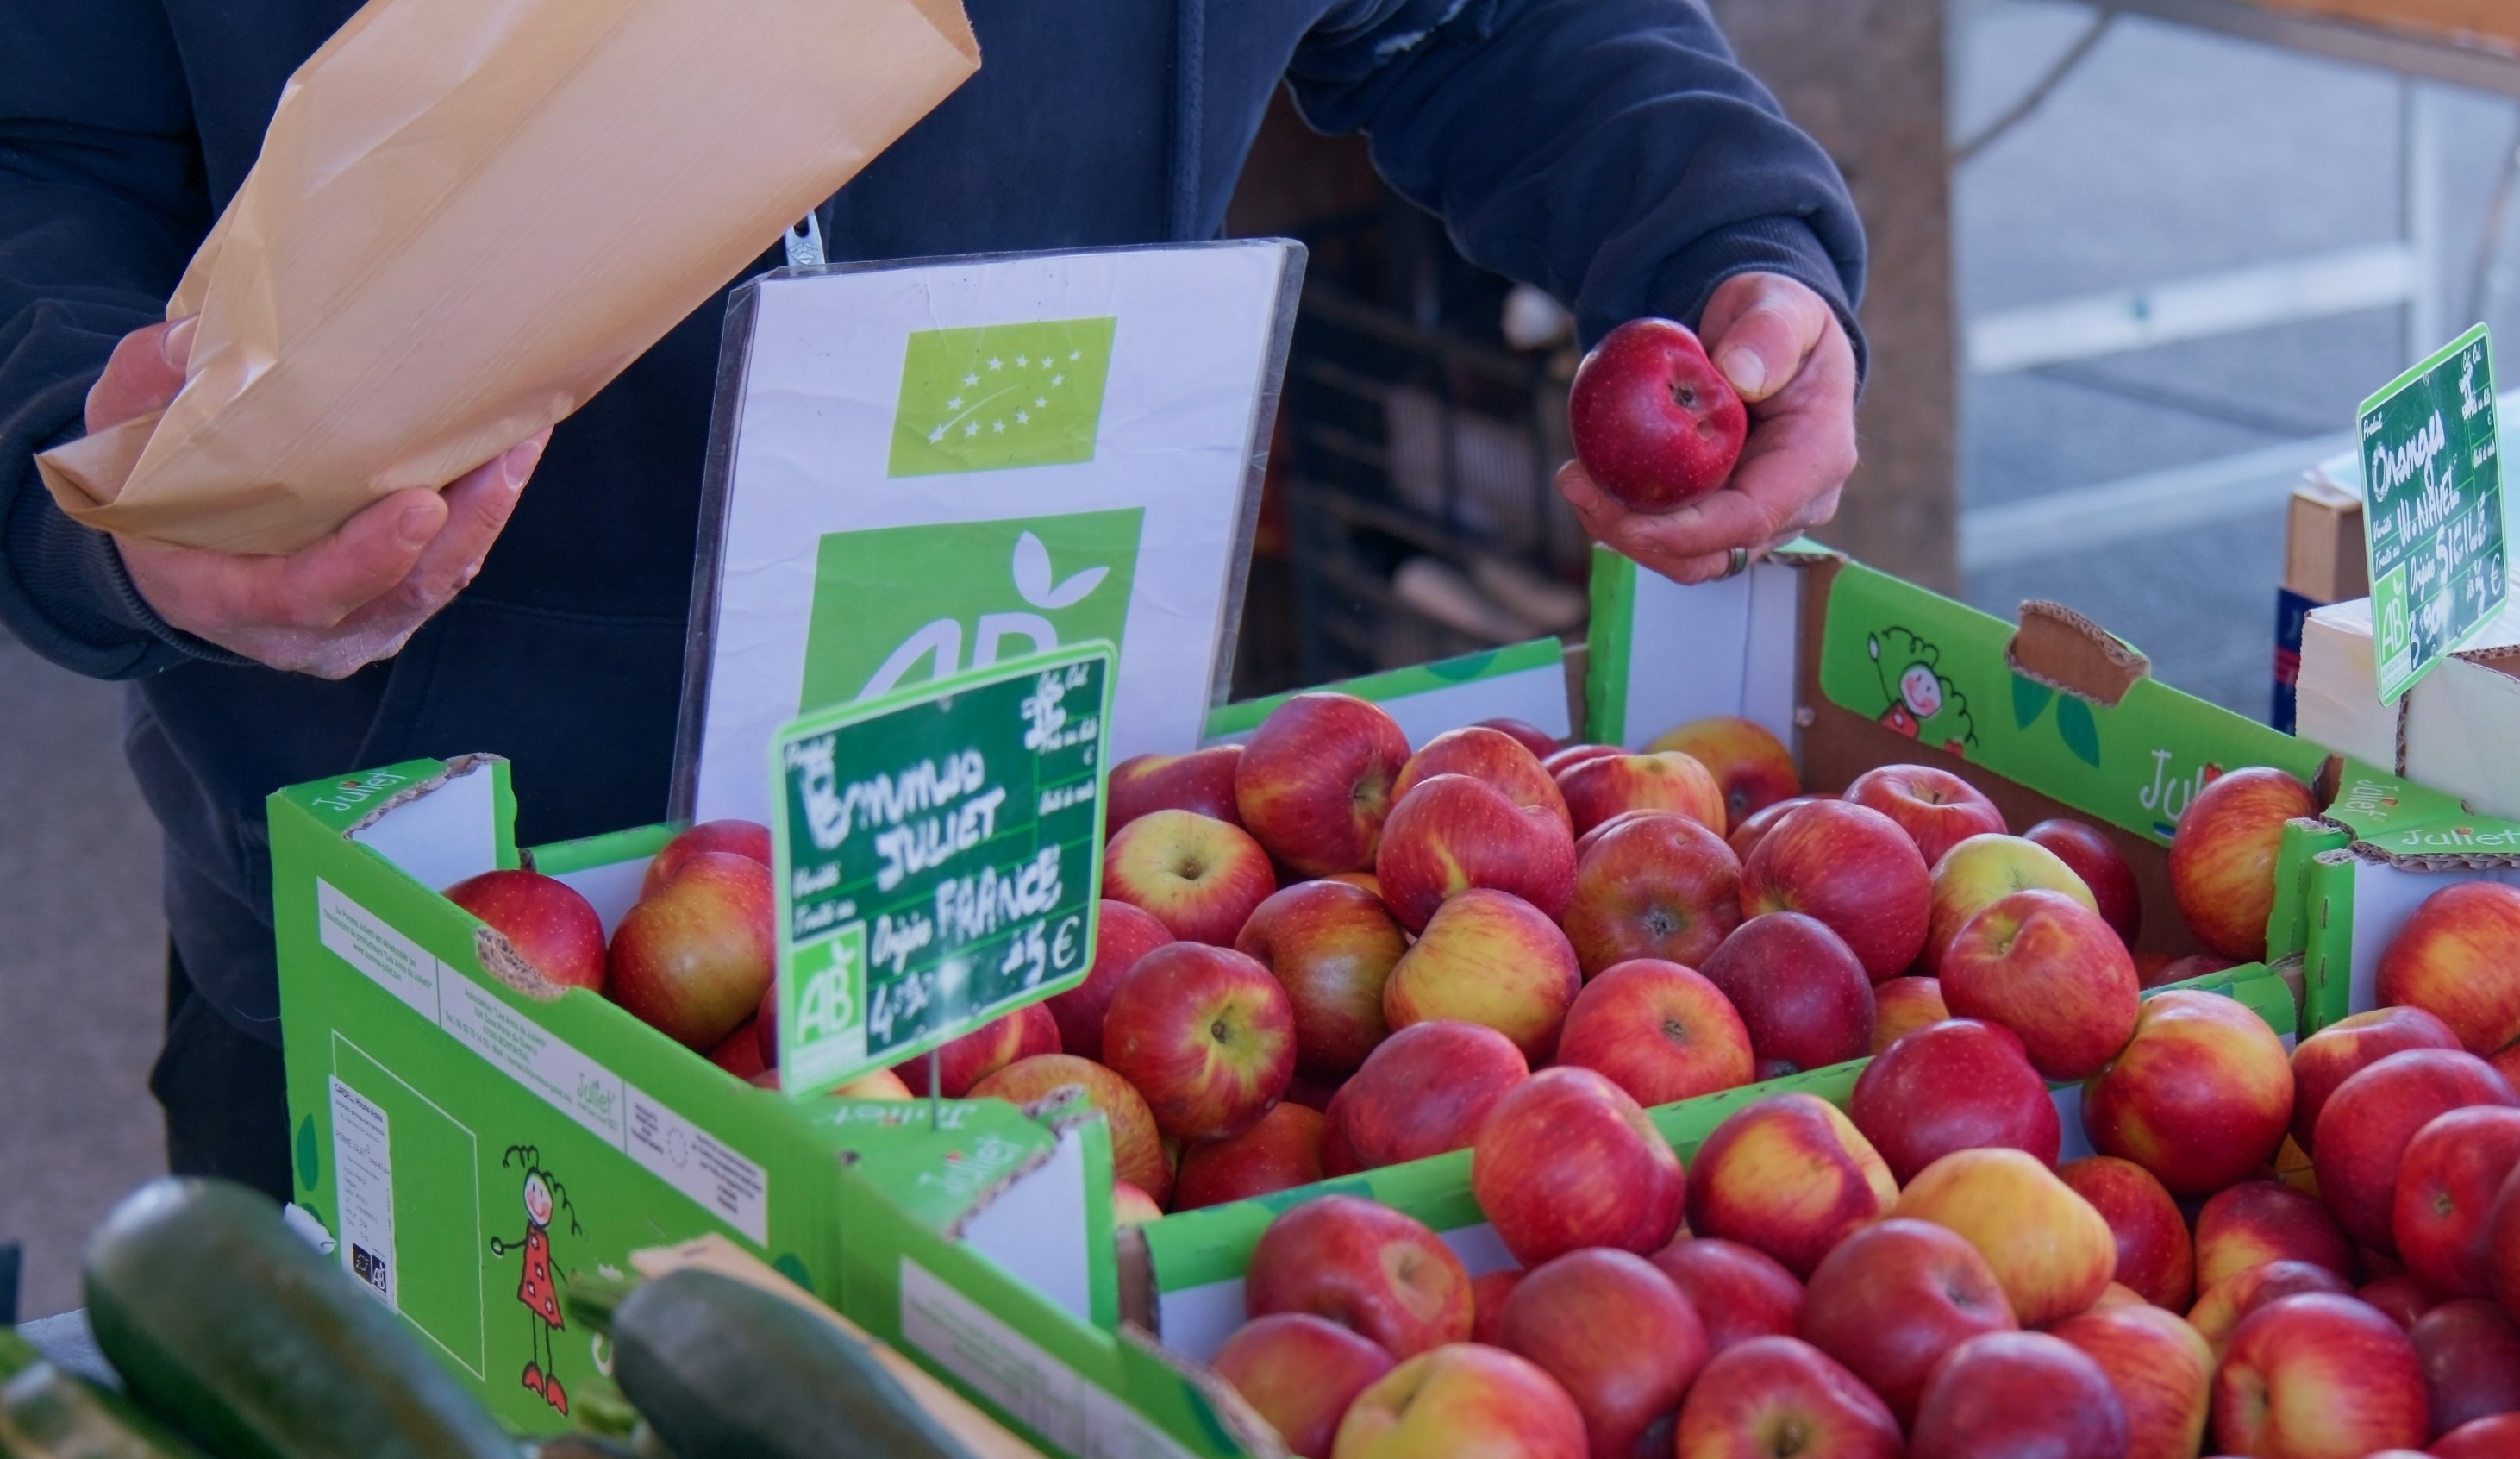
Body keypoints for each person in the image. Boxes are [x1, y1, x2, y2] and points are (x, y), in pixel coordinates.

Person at [0, 0, 1866, 1200]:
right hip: (435, 944)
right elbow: (40, 161)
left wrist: (1727, 238)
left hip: (1050, 929)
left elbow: (1469, 16)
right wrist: (100, 498)